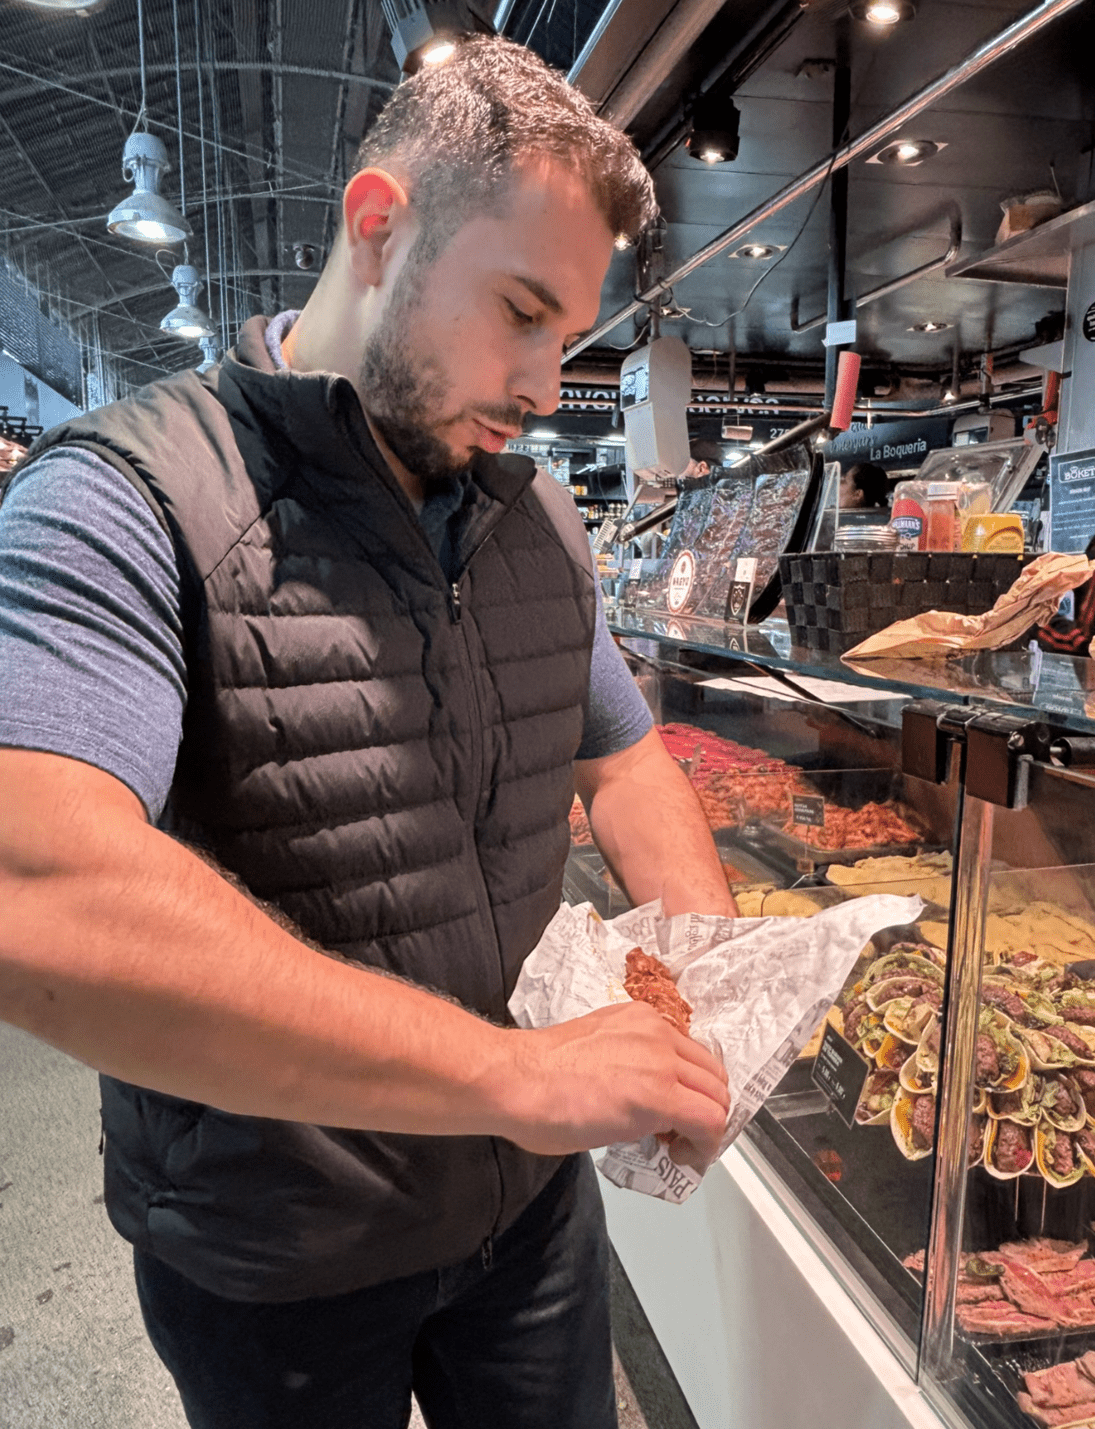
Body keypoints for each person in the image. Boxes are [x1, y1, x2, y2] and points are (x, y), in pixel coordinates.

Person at [0, 37, 734, 1429]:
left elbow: (626, 760)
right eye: (518, 310)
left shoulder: (537, 520)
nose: (542, 385)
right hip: (275, 1255)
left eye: (568, 336)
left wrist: (693, 989)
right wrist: (516, 1075)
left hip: (527, 1224)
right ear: (380, 226)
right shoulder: (120, 497)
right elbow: (36, 894)